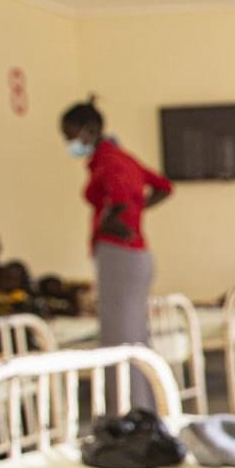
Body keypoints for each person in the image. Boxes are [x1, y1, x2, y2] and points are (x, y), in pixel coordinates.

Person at [65, 97, 171, 406]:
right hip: (133, 256)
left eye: (71, 135)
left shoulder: (110, 162)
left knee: (119, 343)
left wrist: (112, 223)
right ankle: (142, 409)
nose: (69, 142)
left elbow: (122, 197)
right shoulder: (119, 158)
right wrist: (138, 213)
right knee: (134, 337)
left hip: (120, 256)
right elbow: (163, 186)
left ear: (91, 130)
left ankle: (129, 413)